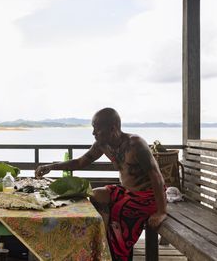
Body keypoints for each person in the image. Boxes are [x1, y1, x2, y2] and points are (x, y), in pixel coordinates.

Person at [35, 108, 167, 261]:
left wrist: (162, 212)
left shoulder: (135, 144)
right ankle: (103, 239)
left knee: (118, 209)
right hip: (126, 191)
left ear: (112, 128)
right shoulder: (102, 145)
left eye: (97, 128)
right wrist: (51, 167)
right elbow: (80, 162)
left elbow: (156, 176)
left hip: (147, 195)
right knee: (95, 194)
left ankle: (118, 254)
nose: (93, 133)